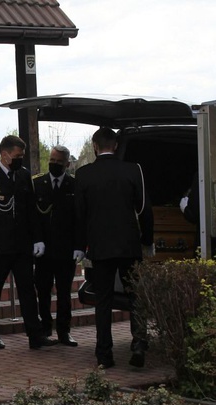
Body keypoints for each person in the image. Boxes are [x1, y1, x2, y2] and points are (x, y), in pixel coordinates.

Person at [75, 127, 154, 369]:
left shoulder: (84, 174)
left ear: (95, 146)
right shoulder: (133, 170)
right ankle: (139, 342)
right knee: (135, 296)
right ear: (116, 146)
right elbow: (143, 209)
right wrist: (147, 240)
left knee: (104, 300)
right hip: (129, 244)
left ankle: (104, 354)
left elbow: (79, 215)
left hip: (100, 246)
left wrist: (80, 246)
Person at [0, 135, 57, 350]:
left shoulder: (24, 176)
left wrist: (37, 239)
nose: (20, 159)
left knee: (28, 290)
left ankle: (35, 335)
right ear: (5, 154)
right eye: (17, 156)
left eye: (22, 156)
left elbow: (31, 211)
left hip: (22, 245)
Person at [33, 145, 85, 346]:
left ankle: (64, 331)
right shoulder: (38, 184)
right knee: (43, 291)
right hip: (43, 250)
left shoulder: (75, 186)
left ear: (67, 164)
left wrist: (80, 245)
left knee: (64, 293)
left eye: (58, 162)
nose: (54, 164)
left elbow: (80, 218)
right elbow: (34, 217)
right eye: (52, 160)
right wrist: (36, 240)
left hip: (66, 250)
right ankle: (45, 328)